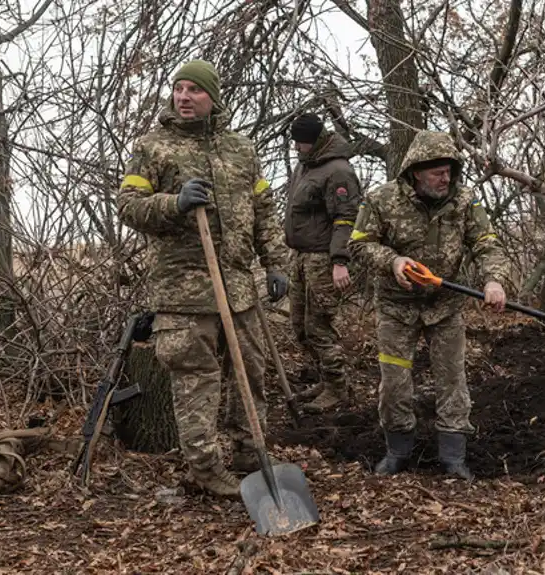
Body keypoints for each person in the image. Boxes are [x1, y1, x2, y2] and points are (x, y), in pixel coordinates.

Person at [115, 60, 290, 497]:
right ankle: (206, 467)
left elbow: (263, 210)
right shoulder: (153, 147)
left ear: (212, 96)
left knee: (250, 374)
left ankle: (252, 454)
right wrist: (174, 203)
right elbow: (128, 205)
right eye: (178, 89)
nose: (184, 97)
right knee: (196, 381)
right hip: (184, 292)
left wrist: (275, 262)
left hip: (237, 288)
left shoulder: (241, 149)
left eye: (194, 89)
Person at [348, 129, 511, 481]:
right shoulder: (381, 200)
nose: (446, 177)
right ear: (416, 170)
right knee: (394, 381)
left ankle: (453, 457)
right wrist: (392, 261)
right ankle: (398, 452)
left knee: (452, 379)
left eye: (450, 170)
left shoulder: (465, 202)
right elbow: (360, 245)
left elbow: (487, 243)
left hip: (446, 307)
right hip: (396, 308)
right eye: (438, 171)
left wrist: (493, 279)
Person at [283, 112, 362, 412]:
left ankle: (338, 388)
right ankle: (325, 379)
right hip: (301, 256)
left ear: (313, 141)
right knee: (300, 327)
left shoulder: (338, 170)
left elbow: (347, 219)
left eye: (300, 143)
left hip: (323, 259)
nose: (296, 148)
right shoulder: (306, 165)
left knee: (319, 327)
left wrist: (339, 260)